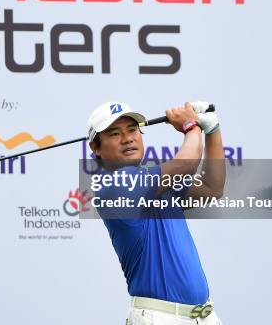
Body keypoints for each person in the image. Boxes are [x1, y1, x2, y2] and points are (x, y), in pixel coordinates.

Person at [87, 101, 225, 324]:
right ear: (96, 148)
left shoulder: (155, 183)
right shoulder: (115, 186)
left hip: (203, 315)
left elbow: (212, 188)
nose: (128, 138)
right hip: (160, 317)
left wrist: (212, 131)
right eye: (114, 133)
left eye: (133, 130)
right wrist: (191, 125)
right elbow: (187, 164)